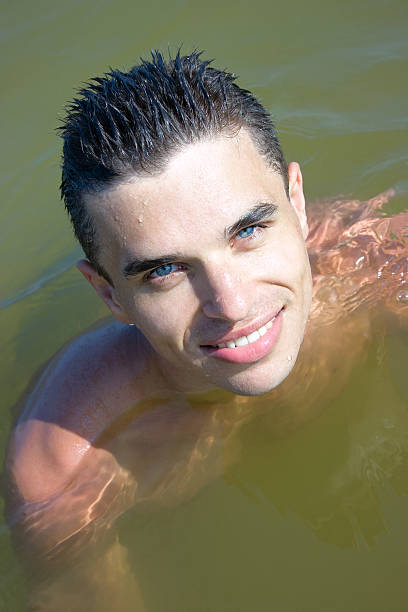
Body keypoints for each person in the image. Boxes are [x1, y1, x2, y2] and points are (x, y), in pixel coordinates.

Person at [4, 51, 408, 611]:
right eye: (164, 270)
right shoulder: (70, 466)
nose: (233, 304)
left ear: (296, 204)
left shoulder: (367, 263)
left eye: (248, 230)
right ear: (107, 294)